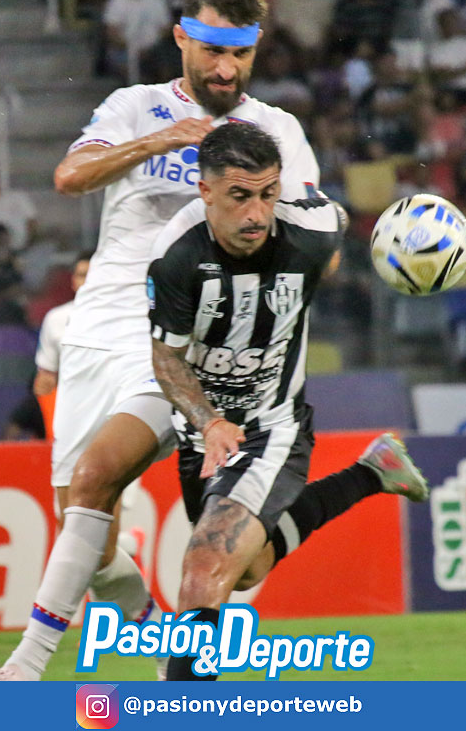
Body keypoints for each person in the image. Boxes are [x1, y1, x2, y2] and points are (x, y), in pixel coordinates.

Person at [0, 0, 319, 682]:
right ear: (181, 37)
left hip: (176, 339)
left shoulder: (276, 130)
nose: (227, 68)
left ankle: (23, 670)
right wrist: (160, 143)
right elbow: (71, 177)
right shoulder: (135, 107)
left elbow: (307, 228)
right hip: (93, 333)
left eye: (241, 54)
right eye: (213, 50)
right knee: (89, 537)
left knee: (96, 477)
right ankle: (175, 654)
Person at [148, 123, 427, 681]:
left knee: (203, 566)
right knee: (246, 569)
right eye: (239, 196)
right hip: (206, 432)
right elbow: (167, 360)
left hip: (272, 426)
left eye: (267, 194)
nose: (257, 214)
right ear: (205, 191)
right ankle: (370, 475)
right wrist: (208, 423)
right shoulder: (177, 256)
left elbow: (336, 223)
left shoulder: (311, 230)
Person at [33, 251, 92, 399]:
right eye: (82, 275)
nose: (88, 281)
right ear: (73, 281)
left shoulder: (126, 317)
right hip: (73, 403)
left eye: (94, 275)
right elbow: (46, 378)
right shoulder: (56, 318)